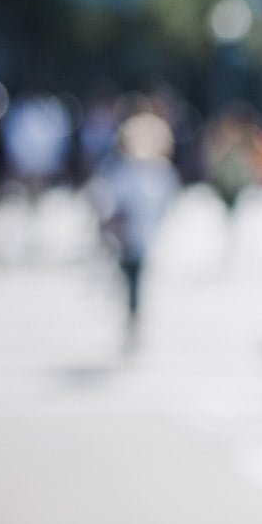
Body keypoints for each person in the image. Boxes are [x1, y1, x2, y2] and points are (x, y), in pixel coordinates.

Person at [90, 112, 181, 350]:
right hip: (126, 234)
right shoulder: (123, 168)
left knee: (135, 276)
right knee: (130, 274)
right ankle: (131, 317)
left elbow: (164, 200)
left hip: (144, 233)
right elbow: (107, 196)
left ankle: (133, 317)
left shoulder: (158, 170)